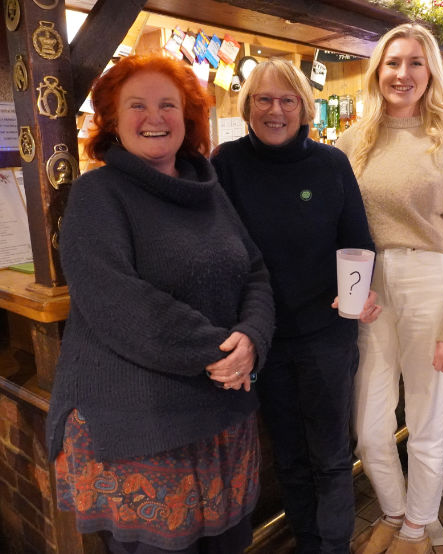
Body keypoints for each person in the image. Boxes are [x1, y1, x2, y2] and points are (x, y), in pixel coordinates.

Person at [45, 53, 275, 554]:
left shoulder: (207, 189)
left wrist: (253, 339)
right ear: (111, 120)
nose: (155, 118)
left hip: (221, 414)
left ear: (188, 116)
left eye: (168, 104)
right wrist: (221, 350)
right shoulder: (96, 194)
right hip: (139, 426)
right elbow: (119, 303)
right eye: (137, 105)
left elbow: (254, 270)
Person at [211, 58, 378, 554]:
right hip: (263, 340)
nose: (275, 110)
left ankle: (333, 546)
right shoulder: (226, 164)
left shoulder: (331, 165)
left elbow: (358, 243)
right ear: (247, 106)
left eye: (288, 100)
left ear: (306, 108)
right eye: (264, 99)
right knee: (288, 455)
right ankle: (308, 541)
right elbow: (216, 249)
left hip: (326, 334)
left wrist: (362, 291)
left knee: (329, 454)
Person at [335, 23, 443, 554]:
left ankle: (417, 528)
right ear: (377, 70)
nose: (402, 73)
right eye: (393, 62)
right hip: (371, 286)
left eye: (415, 63)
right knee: (371, 426)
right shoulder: (354, 139)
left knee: (427, 417)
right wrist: (347, 288)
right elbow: (339, 227)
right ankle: (393, 513)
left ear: (431, 72)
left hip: (430, 278)